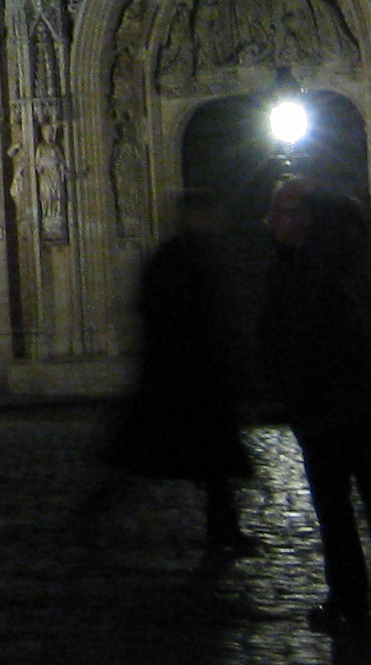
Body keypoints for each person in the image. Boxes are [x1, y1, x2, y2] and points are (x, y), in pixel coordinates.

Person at [258, 177, 371, 632]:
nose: (272, 222)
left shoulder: (308, 269)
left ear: (305, 217)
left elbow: (302, 338)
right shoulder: (342, 258)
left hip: (330, 408)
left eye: (281, 212)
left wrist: (290, 387)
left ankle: (351, 598)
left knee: (338, 510)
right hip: (361, 403)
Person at [92, 189, 254, 562]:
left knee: (210, 463)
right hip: (181, 378)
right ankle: (97, 508)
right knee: (146, 458)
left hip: (191, 378)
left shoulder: (192, 254)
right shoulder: (176, 257)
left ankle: (224, 528)